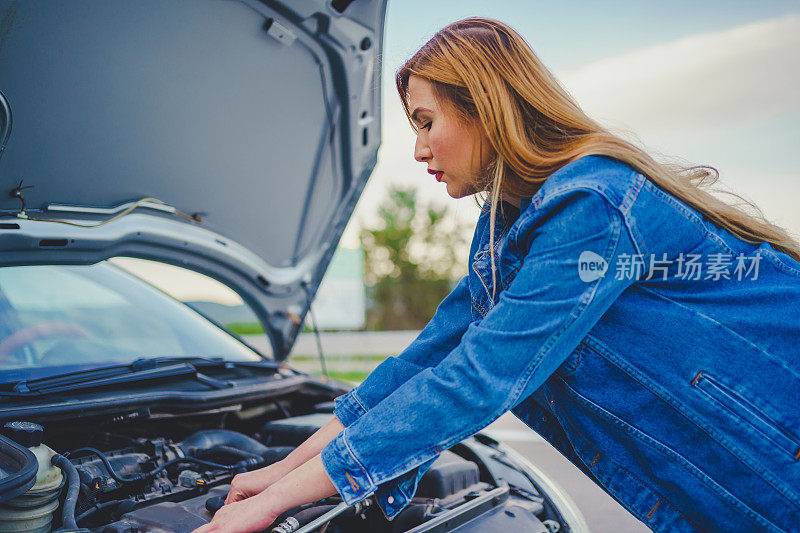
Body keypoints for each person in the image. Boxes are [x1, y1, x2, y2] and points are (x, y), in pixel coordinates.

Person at [193, 18, 800, 533]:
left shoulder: (594, 204)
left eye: (426, 122)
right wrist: (275, 477)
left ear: (484, 108)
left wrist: (279, 501)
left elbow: (476, 378)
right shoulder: (505, 240)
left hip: (772, 458)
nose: (418, 150)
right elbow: (419, 367)